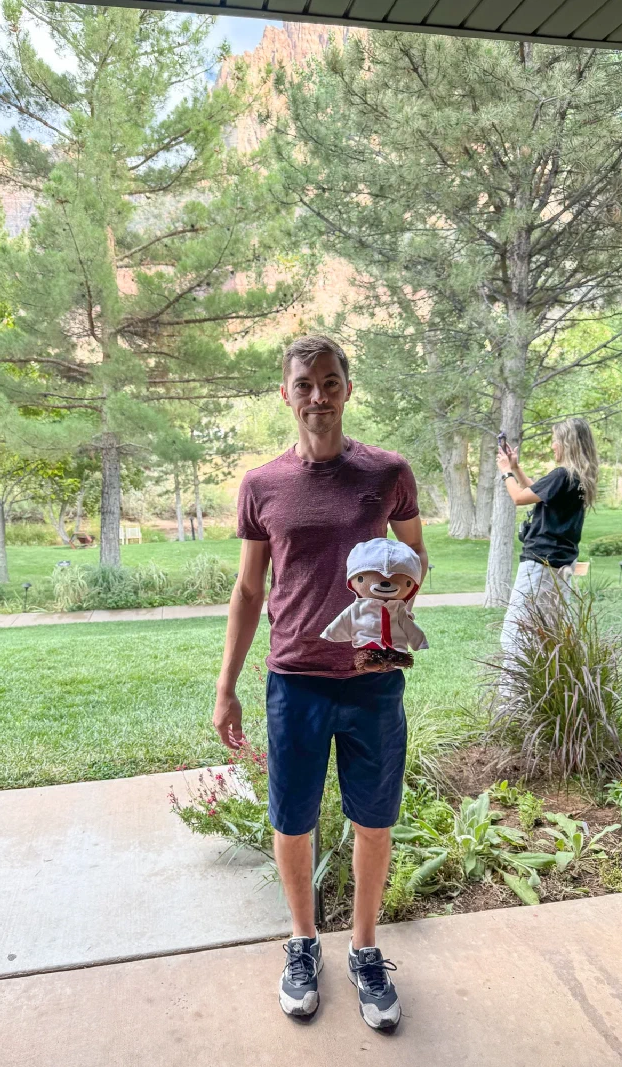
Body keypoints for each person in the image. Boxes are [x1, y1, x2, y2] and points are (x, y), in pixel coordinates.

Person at [213, 335, 427, 1031]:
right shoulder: (262, 486)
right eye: (304, 384)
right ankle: (303, 943)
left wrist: (398, 600)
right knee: (292, 819)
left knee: (374, 819)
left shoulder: (387, 472)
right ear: (286, 393)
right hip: (294, 681)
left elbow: (416, 553)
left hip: (372, 681)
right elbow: (249, 590)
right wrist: (226, 686)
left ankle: (364, 949)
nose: (318, 396)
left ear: (347, 389)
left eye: (330, 382)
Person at [496, 418, 598, 659]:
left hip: (540, 561)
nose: (553, 445)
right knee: (547, 629)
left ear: (568, 443)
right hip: (562, 562)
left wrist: (506, 472)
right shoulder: (578, 477)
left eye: (555, 440)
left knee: (516, 632)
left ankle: (513, 684)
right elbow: (537, 492)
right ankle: (544, 679)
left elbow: (519, 498)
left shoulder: (562, 474)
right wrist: (516, 468)